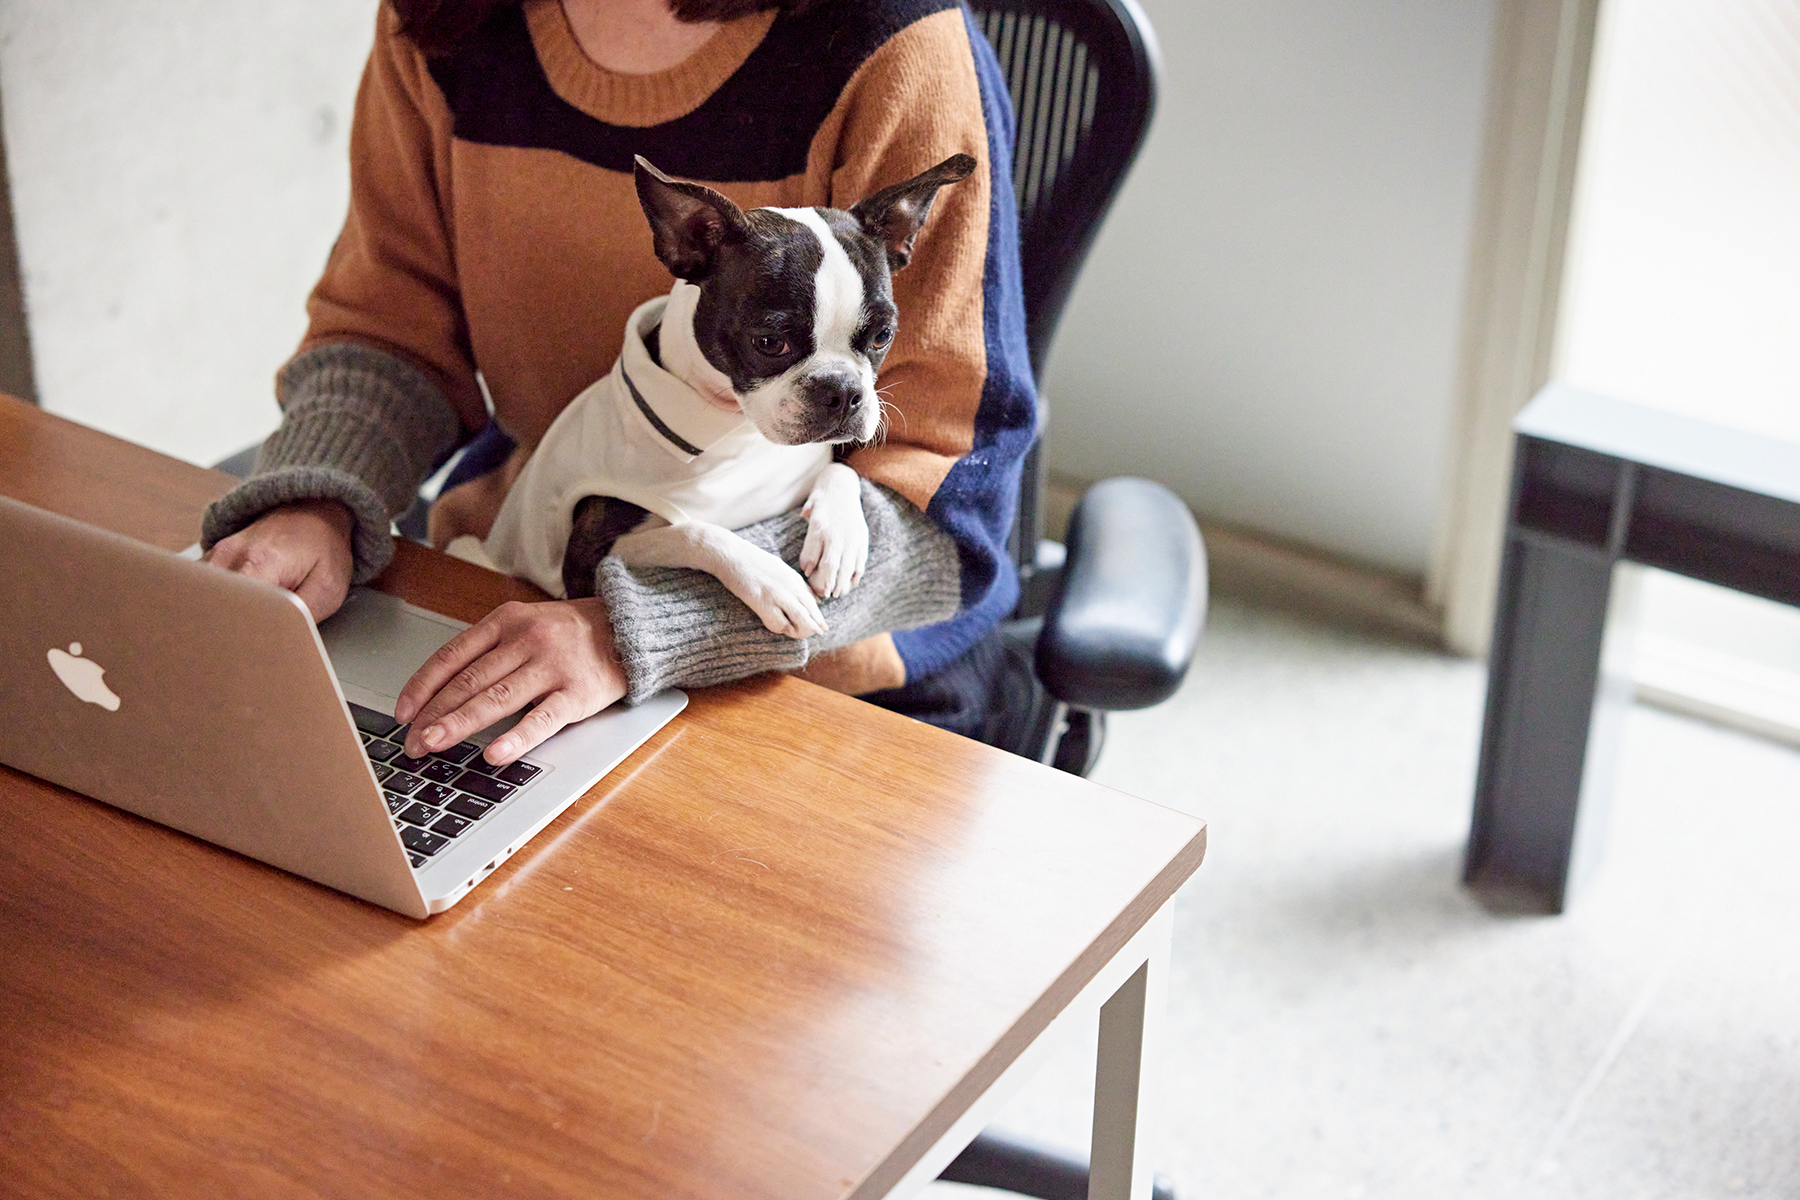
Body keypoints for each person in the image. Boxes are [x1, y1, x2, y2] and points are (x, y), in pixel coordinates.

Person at [203, 0, 1036, 767]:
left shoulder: (894, 46)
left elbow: (947, 504)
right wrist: (317, 501)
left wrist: (638, 628)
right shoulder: (445, 19)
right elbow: (394, 325)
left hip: (830, 665)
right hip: (524, 571)